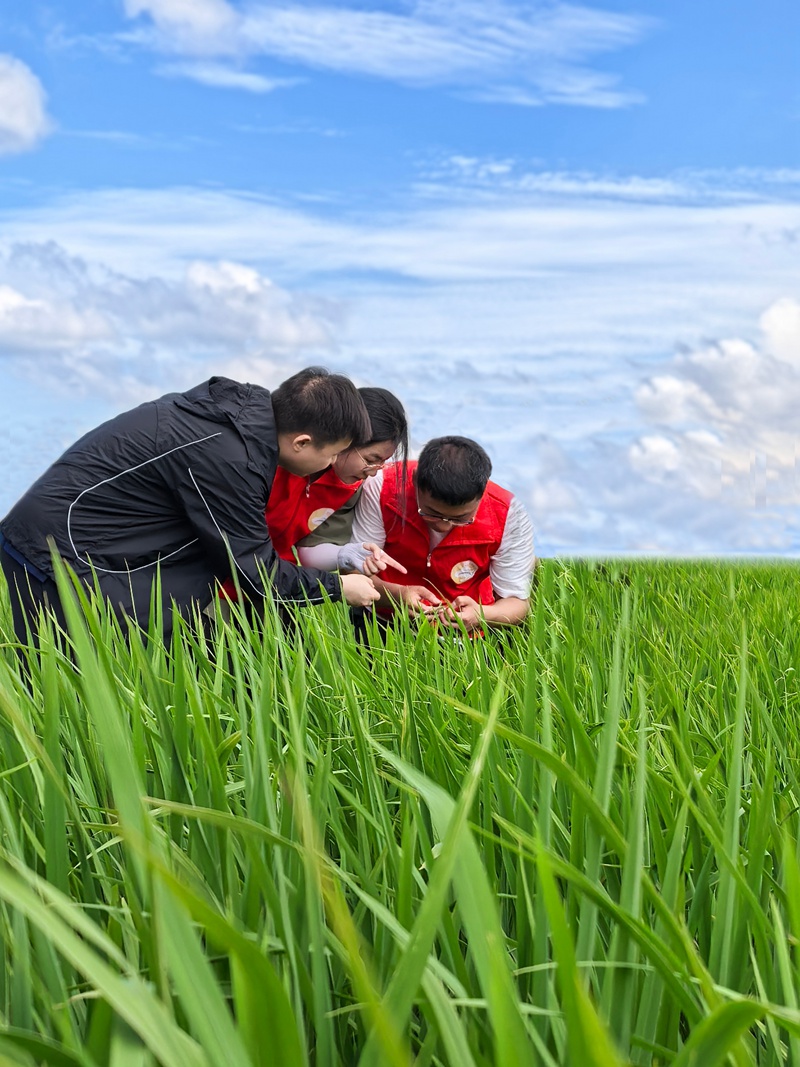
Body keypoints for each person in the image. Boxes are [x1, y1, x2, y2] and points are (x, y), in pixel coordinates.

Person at [0, 368, 379, 645]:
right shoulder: (230, 458)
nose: (331, 466)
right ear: (301, 442)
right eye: (330, 455)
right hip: (52, 563)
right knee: (67, 693)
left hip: (63, 548)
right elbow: (254, 572)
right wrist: (338, 587)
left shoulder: (232, 423)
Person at [338, 436, 534, 634]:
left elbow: (517, 602)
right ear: (415, 480)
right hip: (384, 622)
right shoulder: (382, 487)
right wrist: (399, 595)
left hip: (466, 634)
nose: (443, 526)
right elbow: (354, 571)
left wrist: (482, 615)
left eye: (461, 518)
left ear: (482, 493)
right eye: (431, 513)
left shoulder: (509, 512)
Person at [268, 386, 409, 571]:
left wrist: (345, 554)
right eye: (370, 460)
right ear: (346, 438)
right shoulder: (280, 460)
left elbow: (310, 549)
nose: (372, 473)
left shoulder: (350, 488)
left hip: (272, 572)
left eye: (381, 463)